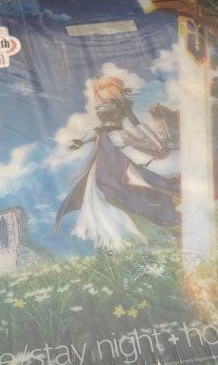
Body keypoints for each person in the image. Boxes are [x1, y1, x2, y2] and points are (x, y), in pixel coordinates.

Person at [55, 76, 180, 248]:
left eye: (103, 89)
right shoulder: (103, 106)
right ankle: (146, 221)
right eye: (98, 91)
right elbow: (99, 129)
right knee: (104, 186)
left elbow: (135, 122)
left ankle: (163, 214)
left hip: (117, 144)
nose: (100, 94)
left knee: (121, 184)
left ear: (112, 88)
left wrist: (154, 142)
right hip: (103, 145)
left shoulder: (122, 103)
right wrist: (81, 141)